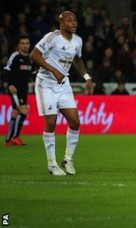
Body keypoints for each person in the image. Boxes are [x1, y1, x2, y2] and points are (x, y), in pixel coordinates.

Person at [29, 11, 94, 176]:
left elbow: (77, 59)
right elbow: (34, 55)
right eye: (69, 20)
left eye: (75, 20)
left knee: (75, 121)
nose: (73, 23)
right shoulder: (52, 37)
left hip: (63, 84)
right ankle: (51, 164)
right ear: (61, 23)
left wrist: (86, 77)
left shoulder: (77, 40)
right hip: (46, 84)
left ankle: (67, 159)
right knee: (51, 123)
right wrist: (54, 70)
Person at [4, 35, 32, 146]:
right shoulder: (15, 56)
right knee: (23, 111)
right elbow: (6, 70)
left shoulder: (30, 59)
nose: (25, 45)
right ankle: (15, 137)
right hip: (14, 89)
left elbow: (32, 73)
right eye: (23, 43)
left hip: (23, 90)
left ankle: (8, 139)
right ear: (18, 45)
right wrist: (10, 84)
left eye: (27, 43)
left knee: (15, 113)